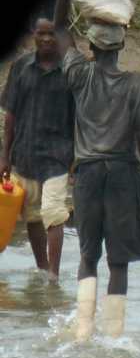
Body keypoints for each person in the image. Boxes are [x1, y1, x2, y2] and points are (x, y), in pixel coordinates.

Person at [52, 0, 140, 340]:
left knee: (88, 256)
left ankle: (82, 333)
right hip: (123, 175)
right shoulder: (136, 85)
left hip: (88, 174)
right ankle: (115, 340)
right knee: (118, 261)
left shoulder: (79, 74)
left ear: (91, 49)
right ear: (121, 48)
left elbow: (61, 29)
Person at [0, 17, 74, 278]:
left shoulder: (70, 70)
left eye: (51, 34)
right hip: (25, 154)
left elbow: (80, 117)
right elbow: (11, 115)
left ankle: (53, 276)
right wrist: (4, 157)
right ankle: (42, 267)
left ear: (60, 37)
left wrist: (78, 158)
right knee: (32, 217)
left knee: (53, 213)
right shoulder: (21, 67)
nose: (46, 39)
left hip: (58, 156)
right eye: (41, 34)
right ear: (34, 34)